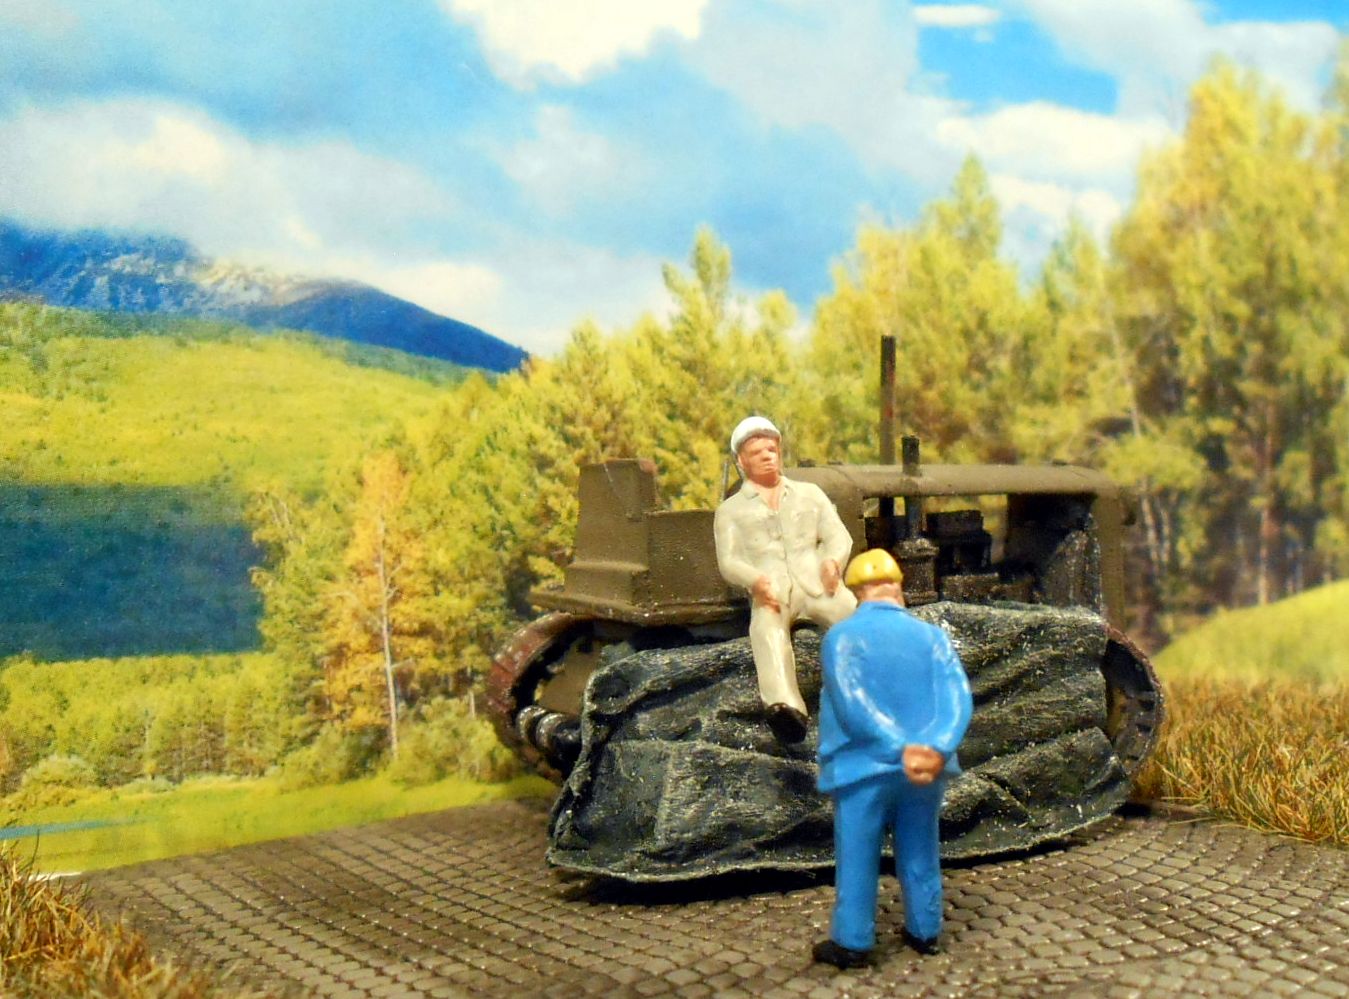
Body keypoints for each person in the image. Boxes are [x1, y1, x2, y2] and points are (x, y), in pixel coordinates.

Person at [812, 549, 973, 968]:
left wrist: (899, 748)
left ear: (858, 592)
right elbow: (958, 699)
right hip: (926, 769)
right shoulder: (933, 638)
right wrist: (934, 748)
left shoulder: (841, 638)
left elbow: (853, 704)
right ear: (899, 589)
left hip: (862, 768)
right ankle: (925, 928)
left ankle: (853, 940)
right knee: (921, 846)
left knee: (858, 854)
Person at [713, 416, 856, 743]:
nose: (767, 456)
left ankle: (873, 682)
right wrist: (754, 580)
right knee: (767, 632)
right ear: (741, 461)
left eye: (771, 449)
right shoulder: (730, 511)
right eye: (757, 452)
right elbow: (729, 561)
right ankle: (786, 708)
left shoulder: (810, 494)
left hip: (817, 582)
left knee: (851, 614)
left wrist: (833, 562)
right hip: (772, 590)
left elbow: (838, 536)